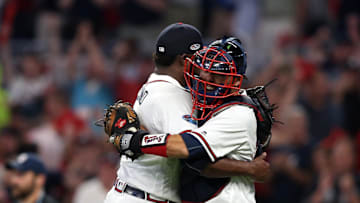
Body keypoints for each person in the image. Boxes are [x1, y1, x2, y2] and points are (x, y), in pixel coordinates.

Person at [102, 23, 270, 203]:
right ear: (184, 60)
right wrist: (248, 168)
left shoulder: (157, 85)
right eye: (200, 60)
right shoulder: (172, 95)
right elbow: (190, 153)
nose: (204, 71)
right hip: (144, 197)